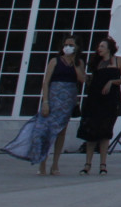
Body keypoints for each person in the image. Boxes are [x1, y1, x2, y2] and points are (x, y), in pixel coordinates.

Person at [29, 37, 84, 175]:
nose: (67, 47)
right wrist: (45, 101)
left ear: (76, 47)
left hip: (67, 101)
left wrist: (75, 62)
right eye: (65, 44)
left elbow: (82, 79)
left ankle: (55, 164)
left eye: (71, 45)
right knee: (47, 131)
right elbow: (46, 82)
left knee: (61, 132)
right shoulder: (55, 61)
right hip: (53, 99)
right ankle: (42, 163)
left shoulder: (79, 63)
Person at [77, 35, 121, 174]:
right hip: (95, 98)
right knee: (91, 131)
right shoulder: (97, 62)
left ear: (109, 48)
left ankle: (103, 164)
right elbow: (90, 80)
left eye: (102, 46)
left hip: (110, 99)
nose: (99, 49)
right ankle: (87, 164)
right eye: (99, 46)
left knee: (105, 131)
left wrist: (111, 82)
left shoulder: (119, 61)